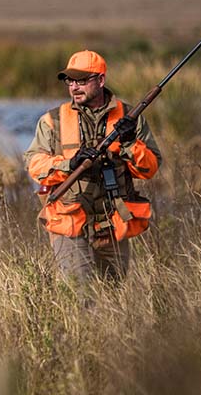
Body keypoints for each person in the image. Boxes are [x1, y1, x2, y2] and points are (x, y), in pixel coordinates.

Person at [23, 50, 162, 281]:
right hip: (69, 222)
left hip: (113, 224)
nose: (74, 87)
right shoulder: (52, 120)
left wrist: (130, 144)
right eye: (70, 80)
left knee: (113, 300)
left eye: (82, 80)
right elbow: (34, 165)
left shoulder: (129, 117)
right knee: (81, 297)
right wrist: (70, 163)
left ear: (101, 80)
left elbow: (150, 169)